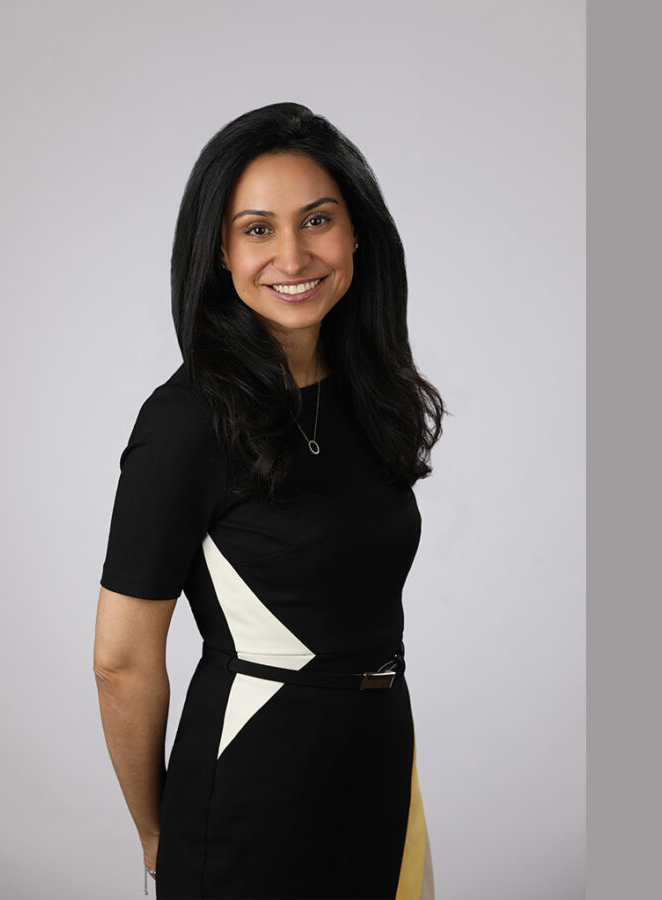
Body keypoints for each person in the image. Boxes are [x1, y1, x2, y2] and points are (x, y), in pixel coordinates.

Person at [93, 101, 445, 899]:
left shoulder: (367, 393)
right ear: (218, 250)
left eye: (317, 219)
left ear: (358, 232)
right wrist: (159, 830)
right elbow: (120, 660)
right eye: (257, 228)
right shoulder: (186, 422)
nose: (293, 253)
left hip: (383, 761)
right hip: (254, 794)